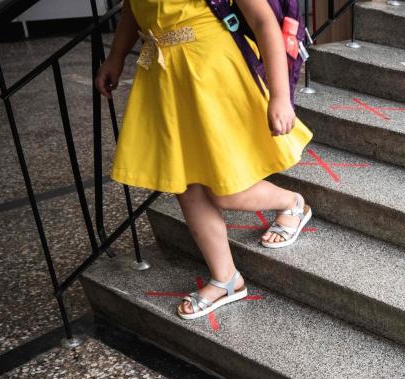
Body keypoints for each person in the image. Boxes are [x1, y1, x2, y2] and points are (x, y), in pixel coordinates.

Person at [95, 0, 314, 320]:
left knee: (225, 190)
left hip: (211, 72)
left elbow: (263, 20)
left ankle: (292, 202)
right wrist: (115, 57)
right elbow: (133, 8)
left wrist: (280, 95)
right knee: (186, 182)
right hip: (163, 76)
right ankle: (226, 279)